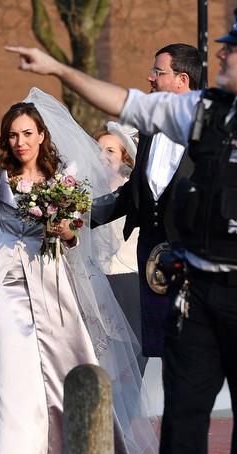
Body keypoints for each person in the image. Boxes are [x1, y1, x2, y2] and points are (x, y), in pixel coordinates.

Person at [6, 5, 237, 454]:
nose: (221, 53)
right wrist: (59, 69)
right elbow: (125, 102)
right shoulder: (200, 111)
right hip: (196, 290)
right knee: (184, 406)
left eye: (233, 49)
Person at [0, 90, 158, 454]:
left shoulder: (63, 178)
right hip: (4, 272)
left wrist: (66, 231)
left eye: (27, 134)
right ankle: (13, 453)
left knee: (67, 356)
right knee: (8, 356)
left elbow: (75, 236)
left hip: (50, 270)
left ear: (41, 136)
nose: (20, 143)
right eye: (13, 136)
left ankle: (77, 447)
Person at [92, 44, 202, 361]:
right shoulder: (150, 128)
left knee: (197, 355)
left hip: (195, 261)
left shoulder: (212, 128)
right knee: (162, 354)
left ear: (182, 80)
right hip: (153, 261)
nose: (149, 77)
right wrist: (81, 217)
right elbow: (134, 194)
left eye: (158, 71)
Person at [93, 122, 145, 373]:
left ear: (125, 157)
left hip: (129, 277)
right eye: (99, 149)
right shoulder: (86, 190)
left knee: (133, 351)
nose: (102, 156)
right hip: (98, 279)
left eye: (110, 151)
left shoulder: (133, 192)